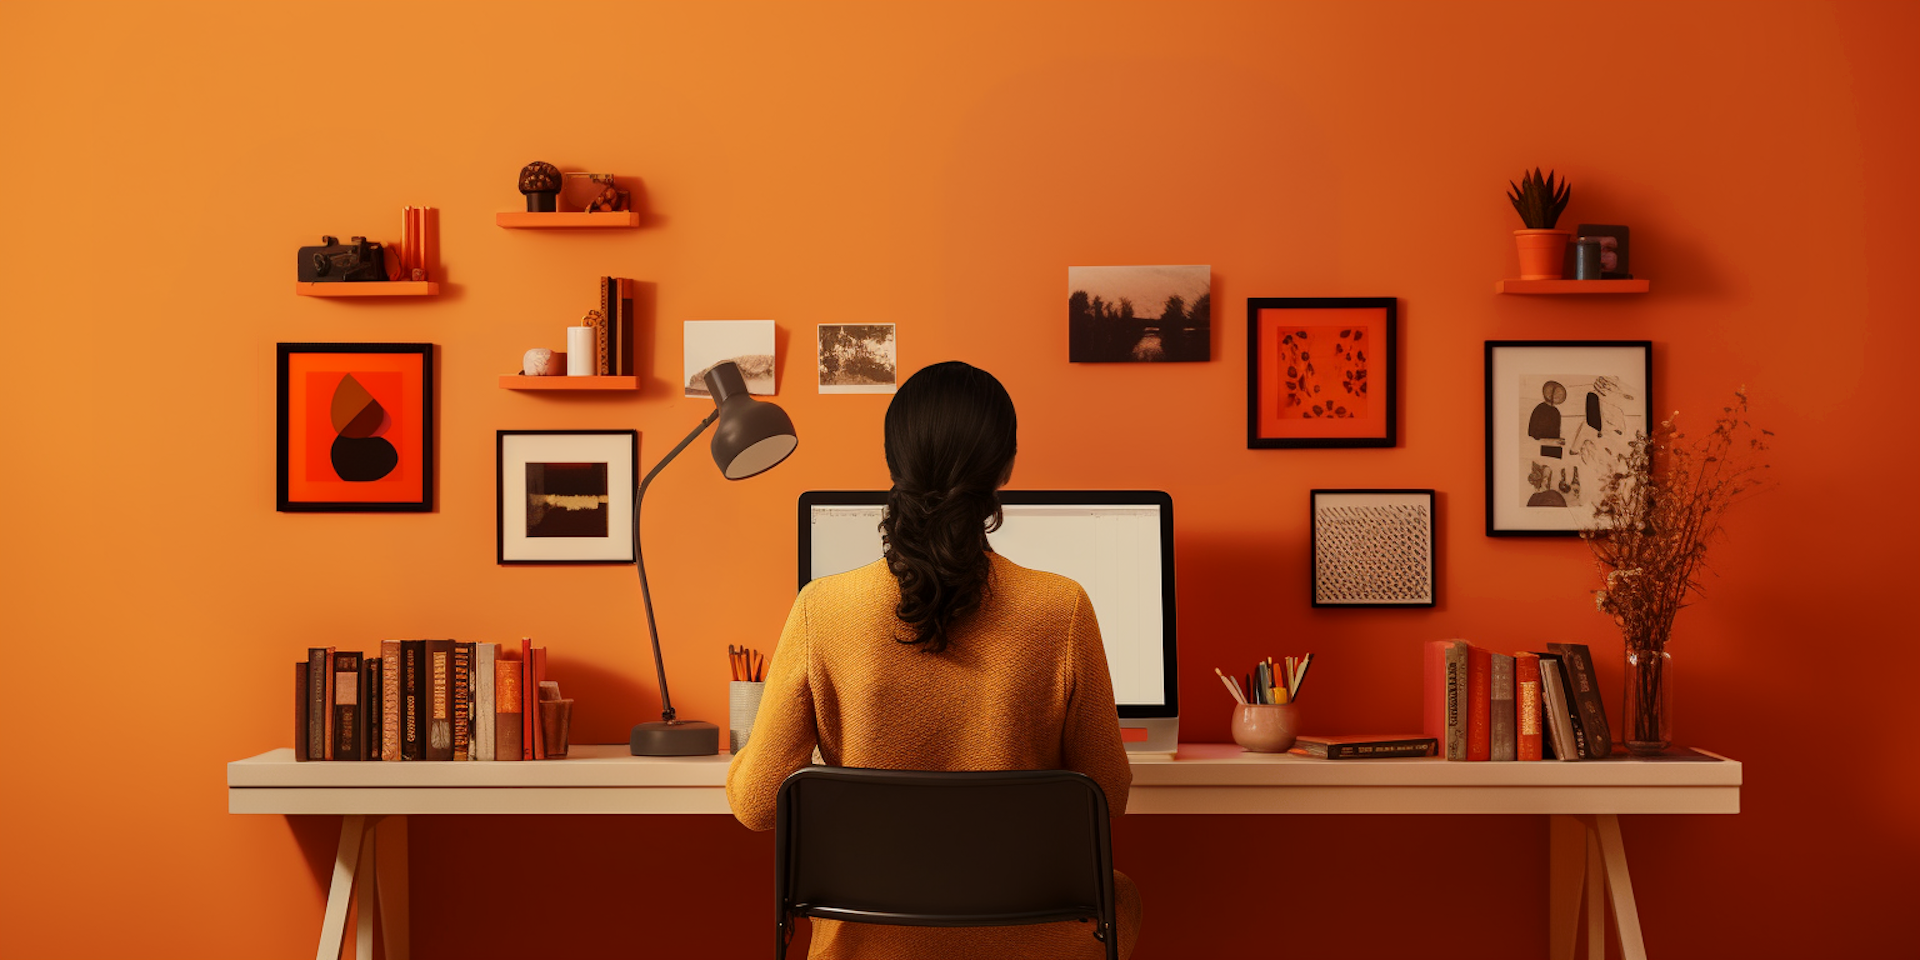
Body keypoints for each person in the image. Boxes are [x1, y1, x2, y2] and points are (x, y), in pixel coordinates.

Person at [726, 361, 1142, 959]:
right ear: (1005, 467)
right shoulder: (1062, 608)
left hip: (867, 951)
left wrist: (759, 753)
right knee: (1121, 898)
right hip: (1031, 945)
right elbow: (1109, 793)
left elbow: (757, 805)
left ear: (894, 466)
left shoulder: (823, 609)